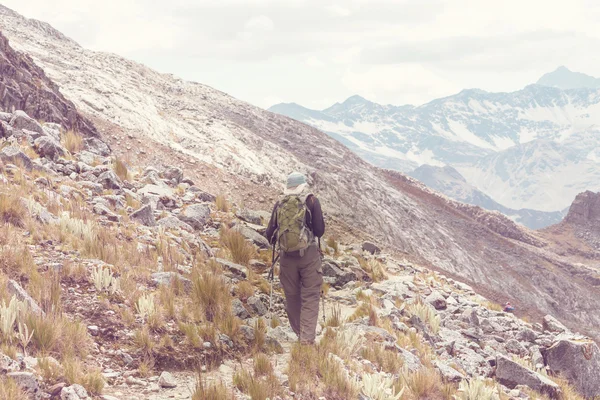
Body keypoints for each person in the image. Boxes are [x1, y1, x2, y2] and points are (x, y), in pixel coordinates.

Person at [266, 172, 325, 345]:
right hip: (309, 256)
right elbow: (320, 231)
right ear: (302, 186)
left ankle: (300, 333)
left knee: (292, 296)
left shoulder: (280, 203)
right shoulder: (312, 201)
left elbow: (269, 234)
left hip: (286, 259)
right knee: (310, 295)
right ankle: (307, 340)